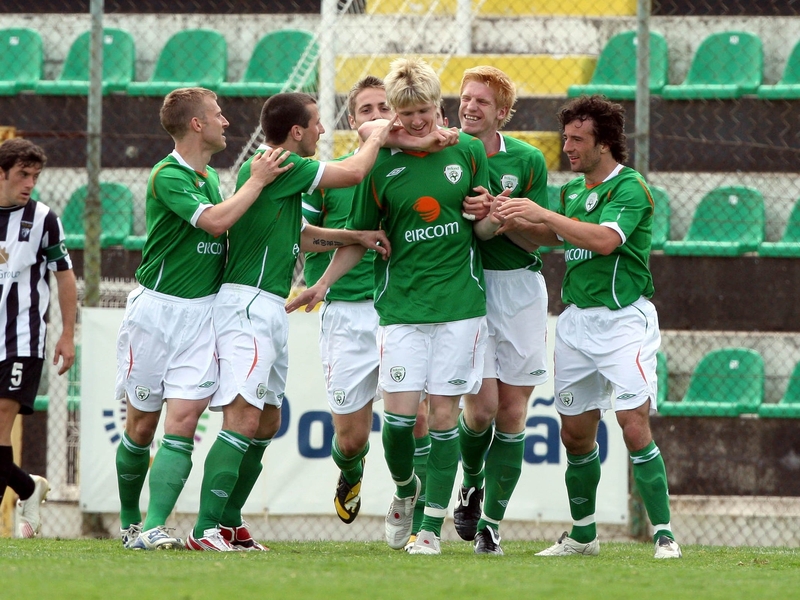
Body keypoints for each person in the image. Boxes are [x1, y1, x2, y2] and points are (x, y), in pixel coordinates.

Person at [287, 57, 490, 556]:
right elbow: (361, 238)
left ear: (437, 108)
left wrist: (490, 217)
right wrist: (320, 285)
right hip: (394, 308)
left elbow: (479, 228)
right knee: (383, 430)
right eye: (405, 112)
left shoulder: (465, 151)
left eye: (424, 110)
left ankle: (427, 527)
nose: (416, 120)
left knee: (439, 417)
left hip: (459, 306)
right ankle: (400, 489)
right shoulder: (368, 165)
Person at [185, 92, 396, 551]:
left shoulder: (273, 171)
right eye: (318, 123)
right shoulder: (278, 162)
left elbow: (299, 235)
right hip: (247, 304)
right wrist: (378, 132)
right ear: (296, 131)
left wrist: (353, 235)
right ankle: (205, 529)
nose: (323, 131)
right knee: (243, 418)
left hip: (270, 305)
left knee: (266, 421)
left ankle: (229, 522)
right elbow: (356, 171)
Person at [495, 94, 682, 559]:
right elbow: (548, 237)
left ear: (605, 144)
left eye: (578, 139)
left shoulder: (630, 187)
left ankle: (664, 535)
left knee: (632, 425)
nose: (568, 147)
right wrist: (506, 217)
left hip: (623, 321)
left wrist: (543, 214)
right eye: (566, 138)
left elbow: (602, 241)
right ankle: (583, 535)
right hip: (575, 322)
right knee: (574, 433)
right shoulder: (572, 192)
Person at [115, 87, 292, 550]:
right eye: (217, 115)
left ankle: (154, 526)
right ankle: (131, 520)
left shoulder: (211, 178)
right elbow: (215, 223)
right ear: (197, 124)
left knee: (186, 420)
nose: (226, 122)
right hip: (156, 312)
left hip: (202, 315)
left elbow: (232, 223)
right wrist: (256, 181)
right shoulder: (167, 174)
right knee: (139, 427)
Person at [454, 66, 550, 555]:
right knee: (482, 409)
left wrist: (505, 217)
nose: (470, 107)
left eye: (482, 102)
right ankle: (471, 480)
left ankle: (491, 524)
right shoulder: (447, 152)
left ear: (503, 113)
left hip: (521, 291)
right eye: (466, 98)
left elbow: (545, 237)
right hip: (469, 290)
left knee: (513, 413)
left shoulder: (528, 160)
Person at [301, 76, 393, 526]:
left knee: (413, 423)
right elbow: (303, 241)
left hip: (401, 311)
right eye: (366, 110)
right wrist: (348, 239)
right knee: (351, 439)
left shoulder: (418, 174)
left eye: (384, 108)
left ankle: (410, 504)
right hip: (344, 313)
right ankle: (351, 471)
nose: (376, 117)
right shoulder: (329, 177)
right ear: (353, 121)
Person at [0, 138, 76, 539]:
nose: (30, 183)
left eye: (35, 176)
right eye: (22, 175)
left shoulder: (43, 219)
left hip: (21, 341)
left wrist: (67, 334)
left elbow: (64, 275)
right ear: (1, 173)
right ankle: (29, 487)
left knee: (0, 423)